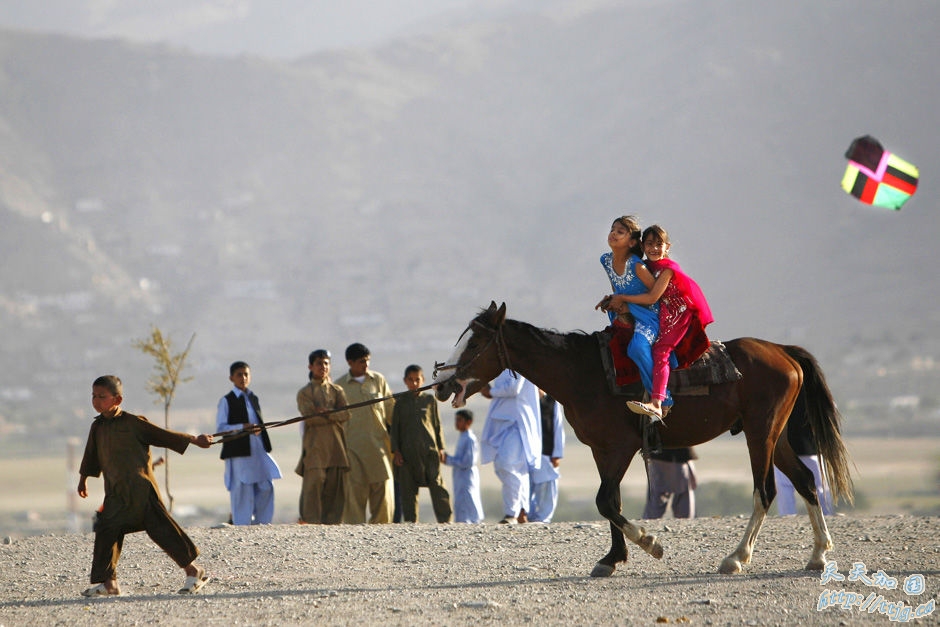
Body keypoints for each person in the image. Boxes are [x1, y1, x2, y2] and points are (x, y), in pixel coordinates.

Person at [77, 375, 213, 597]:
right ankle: (110, 584)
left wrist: (194, 440)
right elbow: (90, 455)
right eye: (93, 396)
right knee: (106, 531)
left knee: (163, 531)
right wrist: (83, 478)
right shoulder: (98, 427)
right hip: (116, 493)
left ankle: (194, 571)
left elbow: (163, 435)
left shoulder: (133, 423)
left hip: (142, 491)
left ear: (117, 399)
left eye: (102, 396)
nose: (96, 400)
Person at [615, 225, 714, 421]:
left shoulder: (668, 269)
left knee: (661, 351)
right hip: (660, 313)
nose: (654, 248)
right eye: (649, 244)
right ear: (642, 245)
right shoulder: (644, 267)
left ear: (667, 246)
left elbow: (652, 297)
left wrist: (622, 297)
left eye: (658, 244)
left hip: (677, 311)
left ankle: (658, 402)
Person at [595, 215, 661, 402]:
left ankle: (660, 398)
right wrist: (612, 300)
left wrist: (625, 301)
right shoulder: (605, 260)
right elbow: (617, 289)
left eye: (620, 232)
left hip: (648, 315)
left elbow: (656, 296)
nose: (613, 234)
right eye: (612, 229)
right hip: (626, 311)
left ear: (632, 242)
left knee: (637, 349)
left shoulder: (637, 266)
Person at [216, 361, 282, 525]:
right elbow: (221, 427)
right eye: (239, 374)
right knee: (242, 491)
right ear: (231, 378)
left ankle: (262, 524)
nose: (243, 378)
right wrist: (242, 427)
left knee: (266, 486)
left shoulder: (253, 398)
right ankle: (241, 526)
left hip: (257, 449)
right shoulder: (227, 401)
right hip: (239, 453)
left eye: (246, 374)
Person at [335, 342, 395, 524]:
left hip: (379, 447)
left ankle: (382, 536)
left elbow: (391, 411)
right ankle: (354, 537)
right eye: (361, 361)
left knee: (384, 492)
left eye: (367, 361)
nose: (366, 365)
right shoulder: (339, 387)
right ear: (350, 362)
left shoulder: (378, 380)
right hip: (351, 449)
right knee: (353, 494)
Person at [390, 364, 452, 523]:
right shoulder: (400, 402)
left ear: (423, 380)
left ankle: (446, 521)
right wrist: (396, 451)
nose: (414, 383)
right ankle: (411, 524)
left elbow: (437, 425)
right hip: (407, 454)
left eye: (417, 380)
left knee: (437, 486)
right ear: (405, 381)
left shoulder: (429, 400)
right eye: (410, 380)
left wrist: (441, 448)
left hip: (430, 451)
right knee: (408, 490)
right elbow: (395, 429)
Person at [295, 349, 351, 524]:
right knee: (314, 485)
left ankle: (332, 526)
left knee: (335, 489)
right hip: (315, 447)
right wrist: (332, 414)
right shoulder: (305, 393)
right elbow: (310, 418)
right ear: (311, 366)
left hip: (336, 447)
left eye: (326, 363)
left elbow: (346, 414)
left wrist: (326, 413)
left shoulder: (337, 390)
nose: (323, 367)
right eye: (319, 363)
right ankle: (311, 524)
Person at [480, 369, 542, 524]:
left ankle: (511, 513)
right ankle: (521, 511)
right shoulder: (503, 368)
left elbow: (513, 388)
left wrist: (491, 392)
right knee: (514, 468)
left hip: (517, 423)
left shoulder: (518, 364)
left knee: (507, 465)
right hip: (504, 423)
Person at [773, 392, 833, 516]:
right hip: (810, 445)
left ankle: (787, 519)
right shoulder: (812, 389)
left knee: (785, 488)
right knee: (819, 487)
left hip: (785, 448)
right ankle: (826, 517)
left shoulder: (778, 387)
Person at [528, 391, 565, 523]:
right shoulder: (525, 401)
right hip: (528, 452)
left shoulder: (551, 401)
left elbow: (557, 426)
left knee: (548, 486)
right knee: (527, 486)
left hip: (547, 451)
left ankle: (543, 518)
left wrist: (557, 454)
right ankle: (528, 515)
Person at [443, 409, 485, 524]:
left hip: (467, 474)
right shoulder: (462, 436)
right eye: (456, 420)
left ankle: (474, 520)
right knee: (460, 498)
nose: (456, 423)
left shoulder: (470, 438)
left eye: (460, 420)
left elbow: (468, 461)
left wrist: (448, 460)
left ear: (468, 422)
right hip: (460, 475)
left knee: (469, 497)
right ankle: (462, 521)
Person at [643, 447, 697, 519]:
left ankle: (649, 522)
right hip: (678, 457)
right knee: (683, 499)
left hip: (660, 455)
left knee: (655, 500)